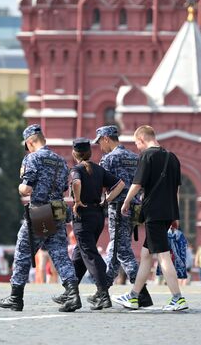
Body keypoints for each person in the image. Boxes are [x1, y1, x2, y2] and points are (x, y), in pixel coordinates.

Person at [0, 124, 81, 312]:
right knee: (59, 253)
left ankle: (16, 297)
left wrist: (19, 188)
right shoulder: (60, 160)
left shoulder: (32, 158)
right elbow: (63, 188)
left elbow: (26, 189)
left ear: (30, 141)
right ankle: (73, 294)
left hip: (40, 212)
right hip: (58, 210)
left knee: (23, 251)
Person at [113, 125, 188, 311]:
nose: (137, 147)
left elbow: (137, 184)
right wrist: (174, 215)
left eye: (136, 143)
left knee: (163, 256)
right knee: (146, 254)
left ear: (141, 139)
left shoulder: (147, 156)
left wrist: (126, 202)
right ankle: (133, 296)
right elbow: (176, 190)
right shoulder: (173, 158)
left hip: (154, 213)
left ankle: (178, 298)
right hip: (167, 212)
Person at [93, 125, 153, 307]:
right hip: (133, 208)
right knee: (114, 249)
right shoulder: (135, 157)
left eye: (99, 142)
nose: (99, 147)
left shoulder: (108, 159)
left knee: (122, 250)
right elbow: (142, 184)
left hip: (117, 208)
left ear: (106, 139)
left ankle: (141, 291)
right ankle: (102, 291)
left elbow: (101, 186)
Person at [69, 138, 125, 309]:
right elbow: (121, 184)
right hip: (98, 216)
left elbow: (76, 182)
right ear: (90, 153)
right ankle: (70, 292)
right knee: (80, 255)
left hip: (83, 216)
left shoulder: (77, 169)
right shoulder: (99, 169)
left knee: (90, 254)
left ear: (74, 153)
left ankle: (102, 293)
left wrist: (77, 201)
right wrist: (106, 200)